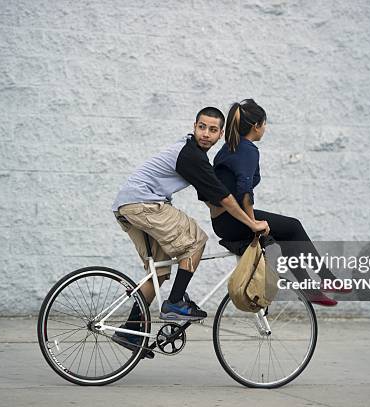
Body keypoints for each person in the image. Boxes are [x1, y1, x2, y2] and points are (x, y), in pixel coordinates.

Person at [111, 106, 270, 353]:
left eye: (213, 129)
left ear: (221, 135)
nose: (206, 133)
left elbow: (211, 197)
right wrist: (251, 223)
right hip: (144, 203)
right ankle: (175, 303)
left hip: (128, 205)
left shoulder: (195, 156)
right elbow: (225, 198)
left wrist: (222, 208)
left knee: (160, 273)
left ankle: (130, 330)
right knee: (196, 239)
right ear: (194, 127)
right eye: (202, 127)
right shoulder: (191, 155)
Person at [208, 99, 348, 306]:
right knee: (293, 226)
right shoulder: (247, 149)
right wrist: (253, 223)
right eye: (265, 124)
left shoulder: (230, 148)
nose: (265, 128)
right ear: (256, 126)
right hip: (233, 221)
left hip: (224, 221)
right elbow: (244, 191)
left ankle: (312, 286)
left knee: (287, 231)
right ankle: (324, 278)